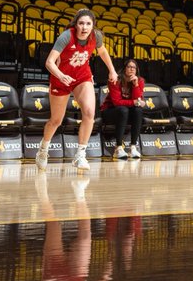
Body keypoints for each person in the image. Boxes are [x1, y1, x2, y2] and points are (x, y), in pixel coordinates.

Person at [36, 9, 117, 172]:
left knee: (89, 113)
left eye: (88, 23)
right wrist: (61, 75)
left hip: (82, 77)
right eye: (81, 23)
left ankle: (80, 154)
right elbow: (49, 62)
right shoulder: (66, 36)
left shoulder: (96, 36)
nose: (84, 27)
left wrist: (112, 70)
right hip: (61, 79)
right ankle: (43, 150)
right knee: (56, 121)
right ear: (76, 24)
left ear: (93, 25)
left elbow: (102, 51)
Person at [101, 58, 144, 160]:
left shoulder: (140, 81)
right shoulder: (115, 80)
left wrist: (135, 85)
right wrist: (134, 102)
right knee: (123, 109)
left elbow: (137, 100)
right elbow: (117, 102)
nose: (132, 69)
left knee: (138, 111)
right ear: (124, 69)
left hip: (126, 113)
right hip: (110, 111)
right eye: (129, 67)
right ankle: (118, 148)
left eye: (134, 67)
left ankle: (133, 147)